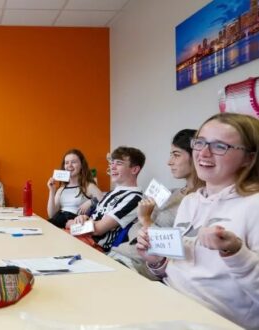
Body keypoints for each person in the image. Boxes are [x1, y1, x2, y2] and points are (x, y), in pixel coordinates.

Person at [136, 113, 259, 329]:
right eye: (199, 142)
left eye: (220, 146)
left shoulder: (254, 205)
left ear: (249, 158)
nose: (203, 153)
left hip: (214, 319)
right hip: (168, 300)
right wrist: (156, 260)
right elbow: (180, 268)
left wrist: (235, 251)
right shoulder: (190, 201)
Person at [109, 129, 204, 275]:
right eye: (170, 155)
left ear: (197, 156)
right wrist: (143, 220)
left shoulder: (199, 201)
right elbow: (135, 229)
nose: (169, 162)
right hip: (120, 254)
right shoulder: (171, 192)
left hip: (138, 266)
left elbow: (176, 250)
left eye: (176, 155)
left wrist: (146, 219)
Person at [69, 146, 145, 252]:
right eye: (112, 163)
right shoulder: (112, 193)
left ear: (135, 169)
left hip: (94, 245)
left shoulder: (135, 198)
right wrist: (82, 219)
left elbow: (98, 229)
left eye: (119, 163)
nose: (112, 167)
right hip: (80, 235)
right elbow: (92, 220)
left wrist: (74, 224)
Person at [46, 149, 103, 228]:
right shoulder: (61, 189)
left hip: (74, 222)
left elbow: (105, 201)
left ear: (81, 165)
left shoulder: (88, 186)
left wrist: (91, 201)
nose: (69, 165)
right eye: (66, 163)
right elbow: (51, 214)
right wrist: (52, 191)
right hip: (59, 220)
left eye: (73, 162)